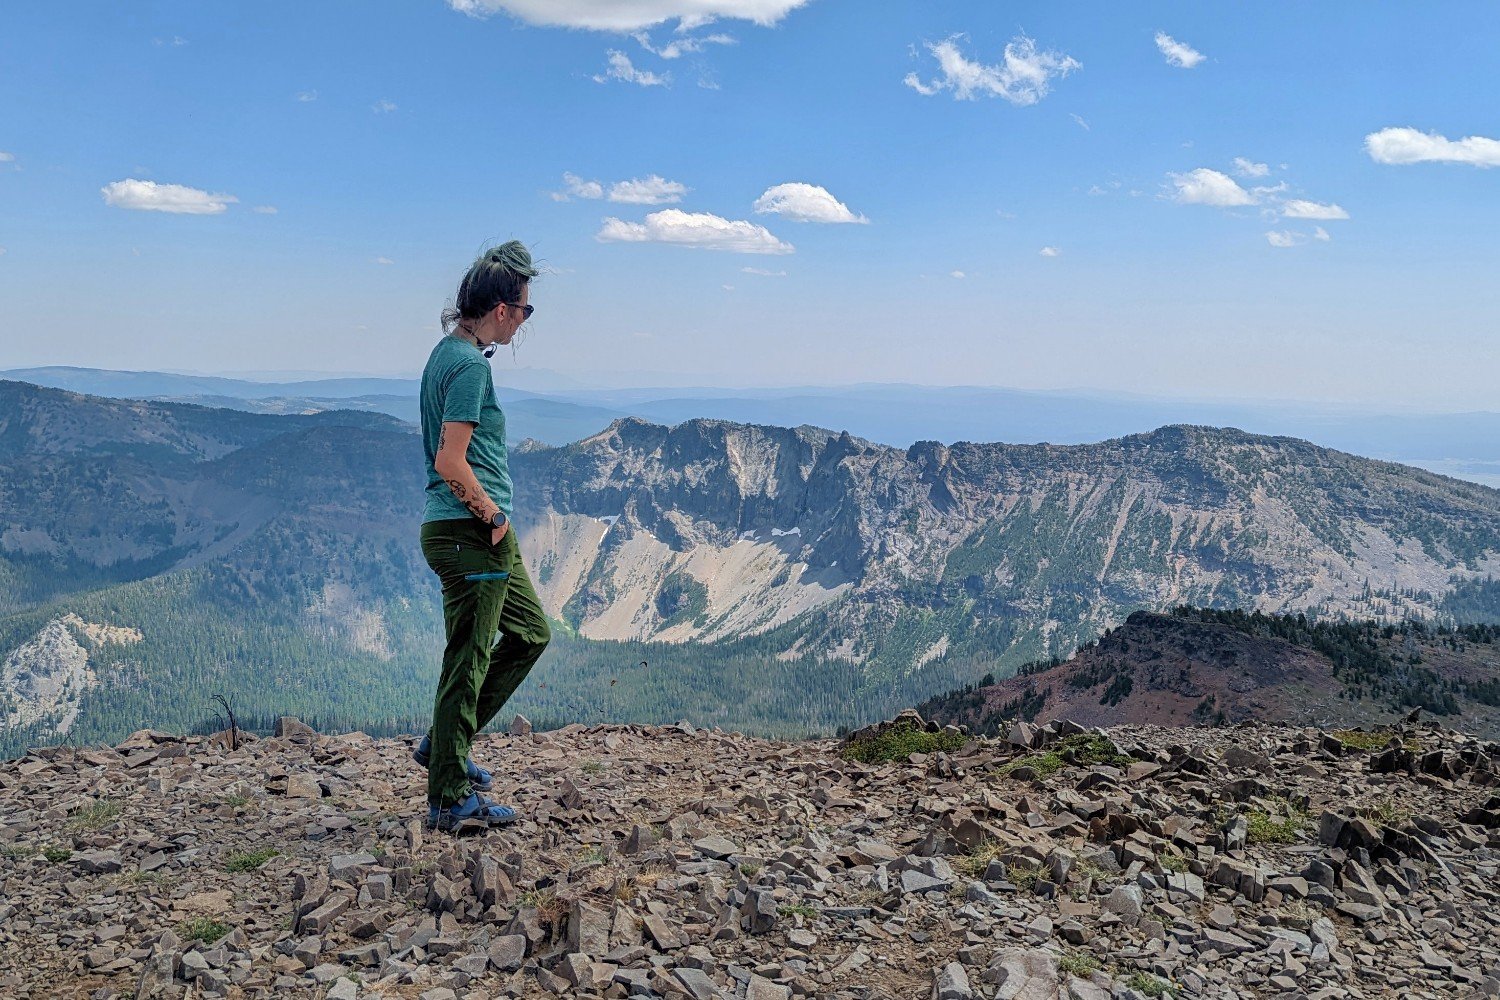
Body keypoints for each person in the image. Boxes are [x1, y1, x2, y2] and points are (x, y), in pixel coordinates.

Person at [414, 241, 552, 831]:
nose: (523, 321)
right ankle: (447, 796)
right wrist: (493, 515)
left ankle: (445, 744)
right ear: (500, 308)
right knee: (469, 660)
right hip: (473, 531)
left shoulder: (447, 354)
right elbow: (450, 460)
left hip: (466, 531)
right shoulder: (469, 367)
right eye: (524, 309)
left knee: (529, 633)